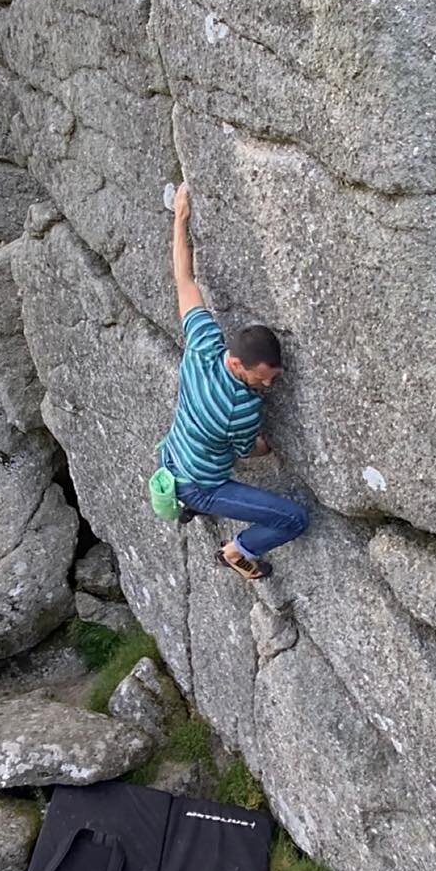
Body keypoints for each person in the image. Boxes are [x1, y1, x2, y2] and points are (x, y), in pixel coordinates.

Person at [158, 181, 309, 580]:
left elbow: (185, 281)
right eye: (262, 380)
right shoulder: (236, 410)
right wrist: (274, 445)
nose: (269, 387)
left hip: (173, 458)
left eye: (274, 378)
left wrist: (180, 216)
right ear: (240, 365)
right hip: (200, 484)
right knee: (293, 519)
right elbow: (252, 450)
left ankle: (192, 501)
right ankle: (237, 551)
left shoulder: (204, 345)